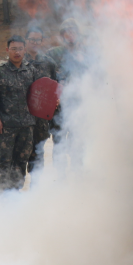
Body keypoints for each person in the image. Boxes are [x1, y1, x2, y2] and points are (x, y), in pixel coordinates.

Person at [0, 36, 37, 189]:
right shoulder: (0, 71)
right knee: (4, 163)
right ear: (7, 50)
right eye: (13, 49)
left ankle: (15, 198)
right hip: (7, 126)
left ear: (25, 50)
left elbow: (39, 95)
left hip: (26, 125)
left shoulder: (31, 70)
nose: (17, 52)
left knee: (21, 163)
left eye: (20, 49)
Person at [46, 18, 84, 170]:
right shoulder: (53, 54)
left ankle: (78, 178)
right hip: (59, 108)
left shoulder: (84, 54)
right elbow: (45, 78)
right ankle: (60, 180)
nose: (70, 35)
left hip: (78, 106)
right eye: (67, 32)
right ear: (62, 35)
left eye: (73, 31)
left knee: (78, 144)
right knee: (60, 144)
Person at [24, 27, 56, 172]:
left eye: (38, 39)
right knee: (21, 153)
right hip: (22, 117)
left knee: (38, 152)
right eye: (32, 39)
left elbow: (55, 87)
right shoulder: (19, 60)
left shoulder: (49, 63)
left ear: (42, 41)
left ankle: (37, 187)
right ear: (26, 40)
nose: (35, 42)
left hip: (41, 119)